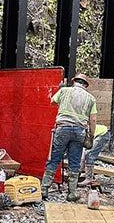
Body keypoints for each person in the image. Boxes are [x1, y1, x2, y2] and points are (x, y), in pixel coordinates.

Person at [41, 73, 97, 202]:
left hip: (63, 128)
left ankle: (44, 189)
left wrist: (61, 91)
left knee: (54, 158)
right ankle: (72, 193)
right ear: (85, 85)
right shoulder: (91, 98)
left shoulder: (64, 91)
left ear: (74, 82)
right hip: (79, 132)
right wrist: (91, 136)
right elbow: (93, 120)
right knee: (75, 162)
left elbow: (52, 101)